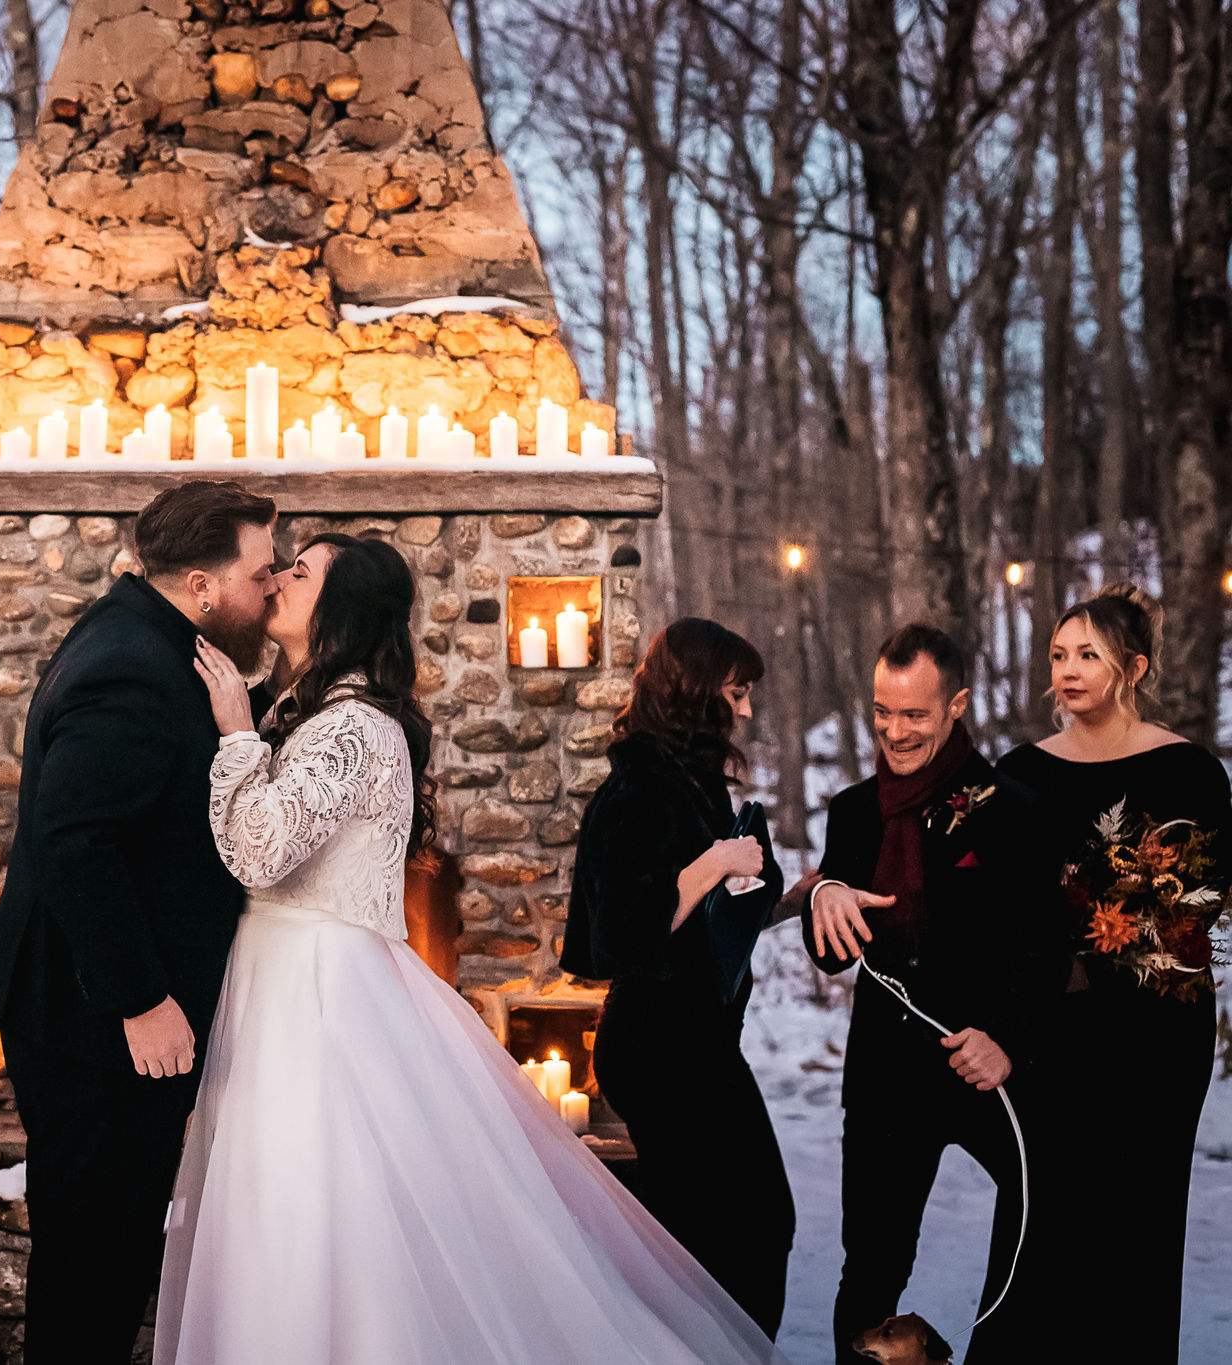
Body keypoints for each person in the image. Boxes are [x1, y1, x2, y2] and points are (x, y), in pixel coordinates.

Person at [160, 537, 786, 1365]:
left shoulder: (359, 728)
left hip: (322, 998)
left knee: (328, 1217)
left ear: (343, 609)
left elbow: (260, 850)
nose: (278, 578)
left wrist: (234, 734)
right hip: (275, 984)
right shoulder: (302, 710)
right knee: (277, 1214)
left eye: (300, 571)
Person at [0, 480, 280, 1365]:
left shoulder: (152, 639)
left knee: (102, 1257)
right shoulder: (132, 665)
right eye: (260, 573)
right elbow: (75, 841)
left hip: (100, 1021)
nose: (269, 588)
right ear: (200, 583)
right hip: (93, 1026)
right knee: (92, 1262)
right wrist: (140, 997)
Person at [806, 625, 1070, 1364]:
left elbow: (1050, 948)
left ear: (956, 704)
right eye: (882, 711)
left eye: (914, 714)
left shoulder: (1014, 808)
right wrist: (824, 898)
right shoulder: (853, 811)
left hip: (988, 1068)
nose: (895, 730)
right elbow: (832, 958)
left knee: (1039, 1241)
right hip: (889, 1074)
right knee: (872, 1270)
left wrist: (1008, 1040)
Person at [996, 585, 1230, 1362]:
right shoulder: (1020, 771)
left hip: (1157, 1038)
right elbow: (1000, 904)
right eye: (1059, 654)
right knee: (1046, 1228)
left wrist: (1084, 948)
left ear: (1134, 667)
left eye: (1087, 654)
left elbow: (1194, 911)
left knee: (1137, 1229)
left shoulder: (1191, 771)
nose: (1066, 670)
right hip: (1051, 1038)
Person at [563, 618, 793, 1337]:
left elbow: (703, 925)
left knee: (729, 1230)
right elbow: (626, 933)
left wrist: (796, 894)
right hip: (662, 1046)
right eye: (737, 691)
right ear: (698, 691)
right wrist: (717, 863)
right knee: (740, 1227)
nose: (747, 709)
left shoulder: (692, 782)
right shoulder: (638, 788)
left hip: (694, 1039)